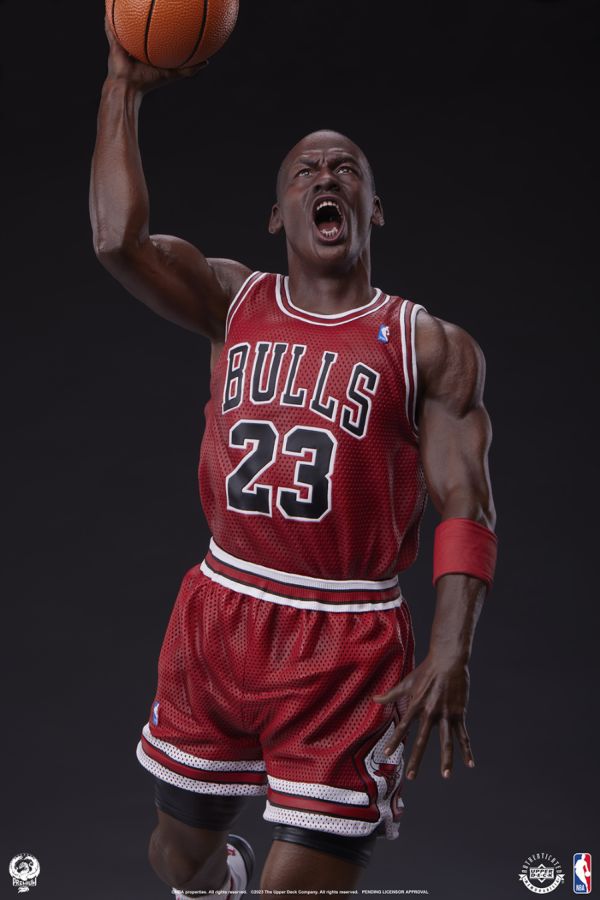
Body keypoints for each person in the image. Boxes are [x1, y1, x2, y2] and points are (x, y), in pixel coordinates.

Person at [90, 20, 497, 900]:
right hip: (223, 610)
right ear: (278, 214)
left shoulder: (427, 345)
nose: (326, 176)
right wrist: (122, 87)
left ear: (372, 209)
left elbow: (467, 502)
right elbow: (118, 243)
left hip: (347, 642)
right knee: (177, 861)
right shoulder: (232, 300)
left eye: (345, 168)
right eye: (305, 170)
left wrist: (451, 650)